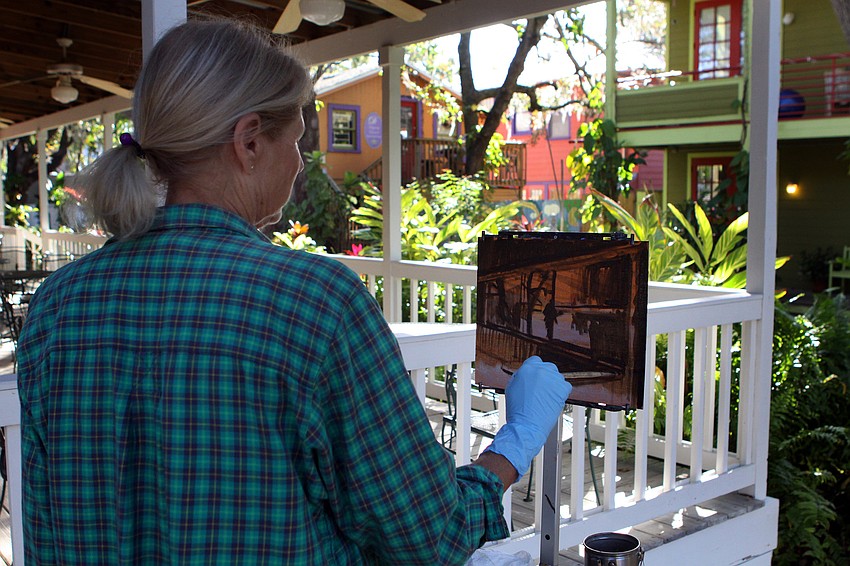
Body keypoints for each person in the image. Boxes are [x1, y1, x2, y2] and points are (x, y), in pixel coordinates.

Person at [17, 18, 571, 565]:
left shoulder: (57, 307)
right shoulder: (315, 305)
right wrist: (516, 442)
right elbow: (429, 535)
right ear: (250, 141)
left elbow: (47, 526)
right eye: (298, 141)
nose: (299, 161)